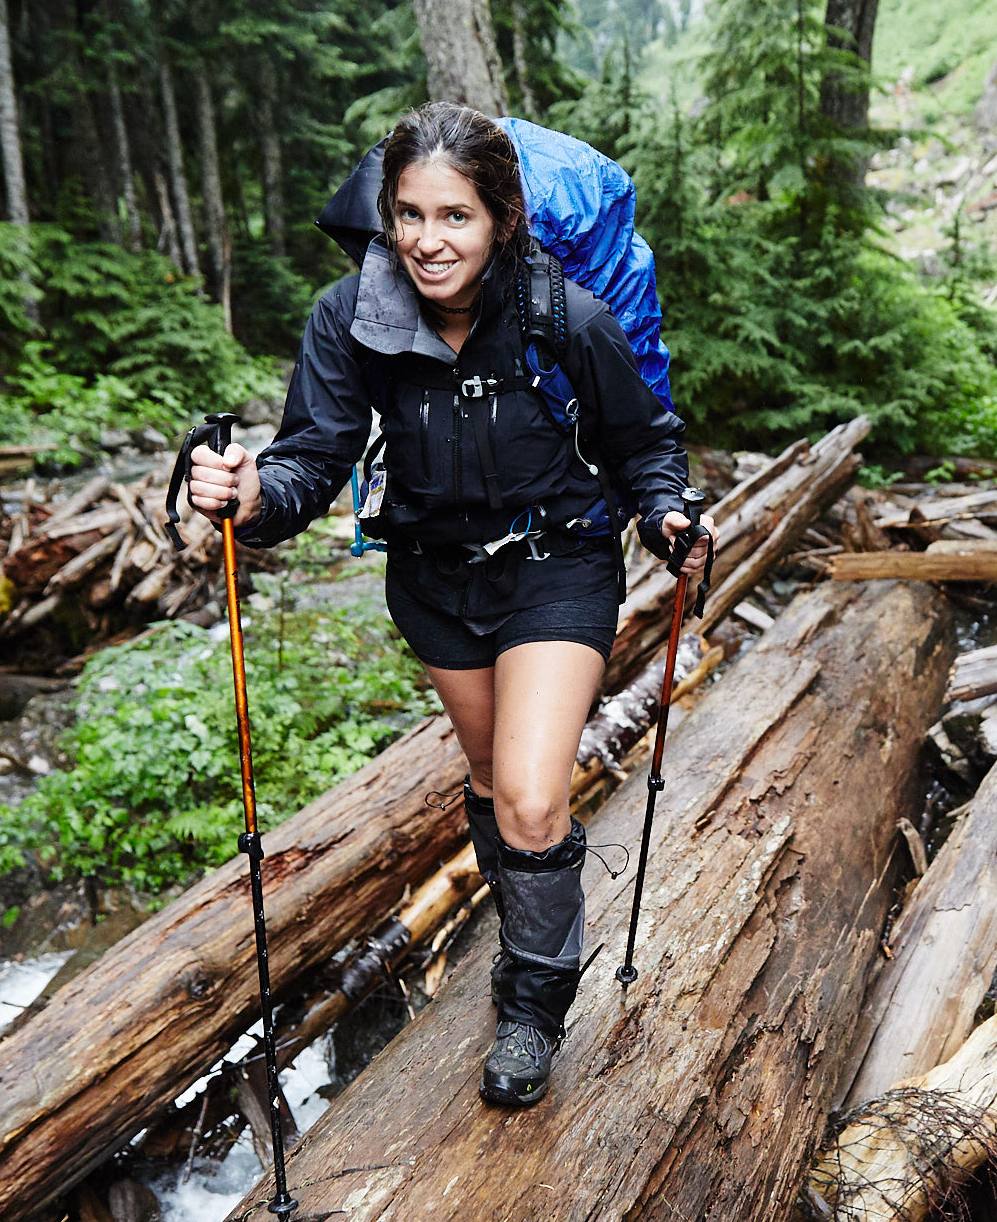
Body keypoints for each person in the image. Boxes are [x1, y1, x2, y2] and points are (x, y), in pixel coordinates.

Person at [181, 102, 705, 1109]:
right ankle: (523, 929)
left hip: (558, 563)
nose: (429, 240)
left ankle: (533, 998)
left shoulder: (564, 314)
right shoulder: (351, 318)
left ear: (502, 218)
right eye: (410, 215)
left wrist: (666, 509)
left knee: (530, 792)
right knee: (486, 773)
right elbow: (313, 453)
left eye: (455, 216)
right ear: (387, 218)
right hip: (433, 576)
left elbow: (644, 440)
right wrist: (251, 495)